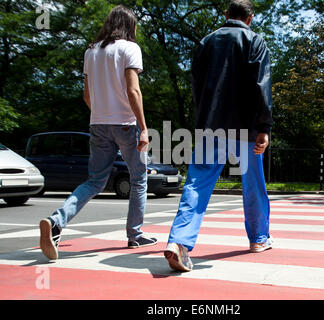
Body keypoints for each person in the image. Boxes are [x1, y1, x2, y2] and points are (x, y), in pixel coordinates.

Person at [39, 5, 157, 261]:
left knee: (95, 181)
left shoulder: (91, 52)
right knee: (138, 177)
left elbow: (86, 95)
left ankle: (57, 221)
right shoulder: (129, 48)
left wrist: (101, 115)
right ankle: (135, 234)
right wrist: (144, 128)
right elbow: (133, 91)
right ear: (129, 26)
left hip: (98, 124)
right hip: (125, 123)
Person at [164, 0, 273, 272]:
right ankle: (258, 239)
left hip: (210, 126)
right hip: (245, 127)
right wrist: (264, 127)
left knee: (196, 184)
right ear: (250, 18)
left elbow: (197, 87)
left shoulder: (206, 42)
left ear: (226, 15)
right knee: (253, 185)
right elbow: (261, 86)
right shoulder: (254, 41)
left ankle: (179, 242)